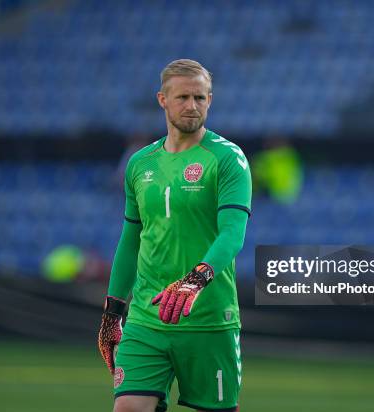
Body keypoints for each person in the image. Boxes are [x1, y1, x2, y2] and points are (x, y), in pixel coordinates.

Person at [98, 59, 251, 412]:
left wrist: (195, 281)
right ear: (162, 100)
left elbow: (232, 234)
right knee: (128, 408)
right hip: (145, 319)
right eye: (182, 97)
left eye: (200, 97)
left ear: (210, 100)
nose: (192, 105)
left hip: (208, 320)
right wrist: (112, 313)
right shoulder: (139, 164)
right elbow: (130, 240)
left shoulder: (228, 159)